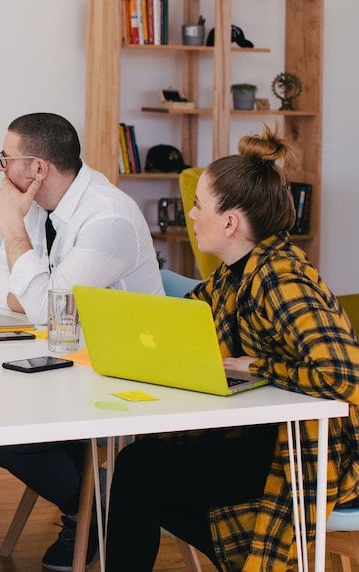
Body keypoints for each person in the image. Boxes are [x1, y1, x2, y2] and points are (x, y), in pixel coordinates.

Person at [105, 124, 359, 571]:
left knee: (139, 471)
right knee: (143, 465)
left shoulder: (280, 277)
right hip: (262, 433)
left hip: (308, 448)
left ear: (229, 221)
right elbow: (184, 321)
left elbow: (345, 374)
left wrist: (257, 365)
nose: (190, 212)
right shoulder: (233, 274)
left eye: (198, 205)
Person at [0, 112, 163, 571]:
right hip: (65, 355)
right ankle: (87, 499)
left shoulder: (108, 218)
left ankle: (90, 510)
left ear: (37, 169)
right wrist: (36, 290)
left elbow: (42, 305)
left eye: (6, 158)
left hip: (117, 369)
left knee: (11, 432)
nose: (1, 169)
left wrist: (14, 232)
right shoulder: (37, 207)